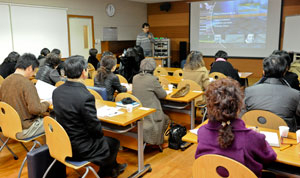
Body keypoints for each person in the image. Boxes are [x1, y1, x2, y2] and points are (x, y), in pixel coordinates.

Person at [52, 55, 127, 177]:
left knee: (105, 141)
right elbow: (95, 128)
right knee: (113, 142)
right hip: (80, 149)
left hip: (62, 143)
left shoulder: (57, 91)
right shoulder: (85, 96)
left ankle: (113, 168)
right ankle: (106, 171)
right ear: (84, 72)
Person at [195, 78, 276, 178]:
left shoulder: (202, 132)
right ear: (239, 107)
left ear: (209, 107)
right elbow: (270, 157)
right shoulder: (252, 137)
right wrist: (259, 138)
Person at [244, 55, 300, 132]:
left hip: (255, 133)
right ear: (284, 72)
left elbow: (243, 115)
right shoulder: (295, 94)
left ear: (263, 72)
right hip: (284, 138)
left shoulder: (249, 91)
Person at [0, 53, 50, 139]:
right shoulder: (27, 84)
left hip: (8, 126)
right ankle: (47, 151)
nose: (33, 75)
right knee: (54, 122)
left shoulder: (4, 81)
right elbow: (36, 109)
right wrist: (46, 103)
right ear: (30, 68)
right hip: (24, 129)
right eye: (34, 71)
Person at [132, 58, 170, 146]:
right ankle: (159, 141)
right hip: (151, 114)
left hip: (138, 112)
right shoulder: (152, 80)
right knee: (166, 118)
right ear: (153, 68)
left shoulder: (135, 78)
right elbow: (163, 95)